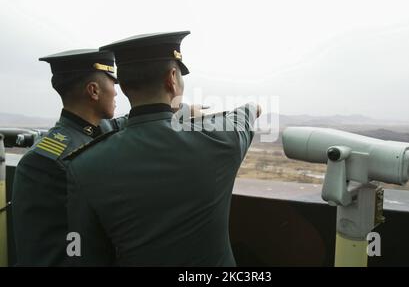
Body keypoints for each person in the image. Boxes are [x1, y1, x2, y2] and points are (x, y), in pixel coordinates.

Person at [64, 31, 261, 266]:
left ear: (124, 87)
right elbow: (248, 113)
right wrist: (251, 105)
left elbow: (80, 252)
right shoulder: (220, 140)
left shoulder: (83, 165)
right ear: (172, 78)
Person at [12, 49, 127, 266]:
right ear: (93, 91)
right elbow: (47, 251)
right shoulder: (45, 161)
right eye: (113, 84)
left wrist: (180, 109)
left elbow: (124, 123)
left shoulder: (95, 129)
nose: (116, 92)